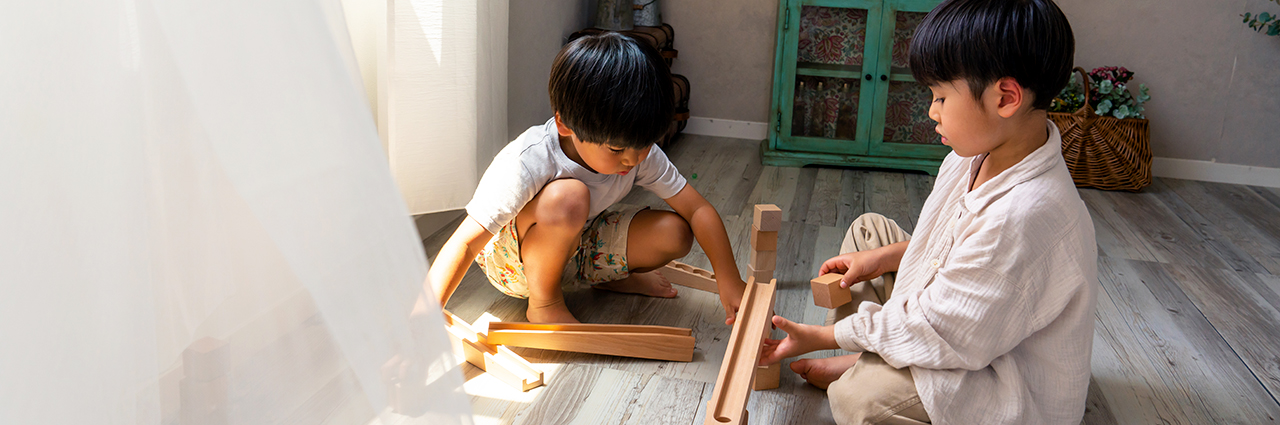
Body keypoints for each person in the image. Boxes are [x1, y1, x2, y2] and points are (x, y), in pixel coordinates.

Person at [759, 0, 1098, 423]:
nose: (932, 111)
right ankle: (876, 358)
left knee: (859, 400)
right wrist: (882, 257)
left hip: (997, 372)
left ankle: (869, 369)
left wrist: (821, 336)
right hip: (967, 325)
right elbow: (949, 244)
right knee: (870, 233)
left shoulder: (1025, 216)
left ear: (1005, 97)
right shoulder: (973, 153)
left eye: (940, 97)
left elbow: (943, 329)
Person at [419, 33, 746, 324]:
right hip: (514, 263)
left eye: (646, 145)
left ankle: (607, 276)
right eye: (617, 149)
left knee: (675, 233)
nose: (632, 160)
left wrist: (728, 280)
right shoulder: (528, 160)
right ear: (564, 124)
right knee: (569, 197)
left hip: (578, 242)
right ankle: (544, 303)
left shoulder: (635, 149)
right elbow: (465, 242)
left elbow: (698, 210)